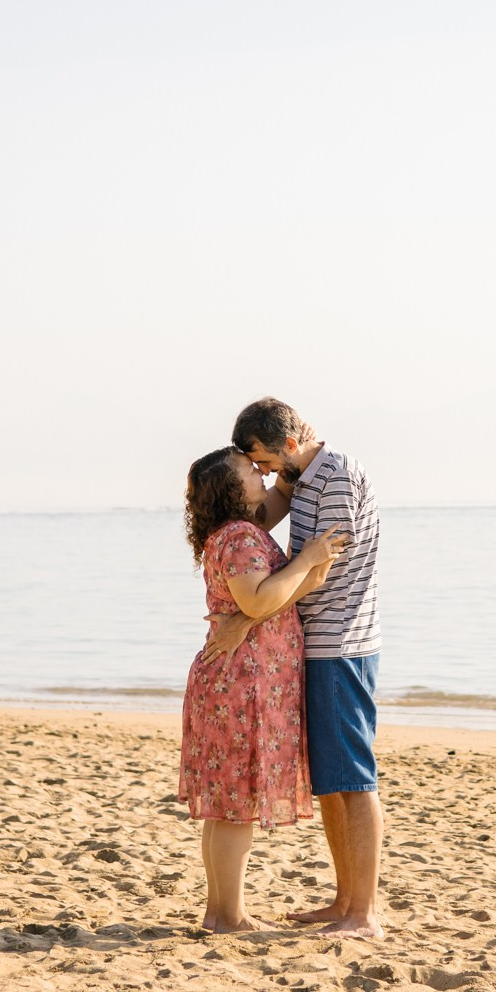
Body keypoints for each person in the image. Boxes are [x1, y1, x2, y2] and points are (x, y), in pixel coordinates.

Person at [207, 398, 384, 939]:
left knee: (353, 781)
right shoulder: (304, 476)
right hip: (315, 645)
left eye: (262, 459)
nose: (260, 471)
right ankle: (343, 901)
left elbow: (322, 567)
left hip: (340, 644)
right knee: (333, 781)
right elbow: (249, 519)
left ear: (286, 445)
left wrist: (244, 619)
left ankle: (363, 914)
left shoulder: (334, 476)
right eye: (253, 467)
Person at [177, 447, 347, 933]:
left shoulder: (236, 532)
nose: (261, 473)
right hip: (242, 683)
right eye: (250, 470)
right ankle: (227, 915)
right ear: (233, 490)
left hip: (239, 678)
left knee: (227, 806)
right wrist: (307, 560)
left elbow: (282, 500)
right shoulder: (238, 537)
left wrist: (299, 451)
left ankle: (220, 912)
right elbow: (257, 600)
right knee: (235, 808)